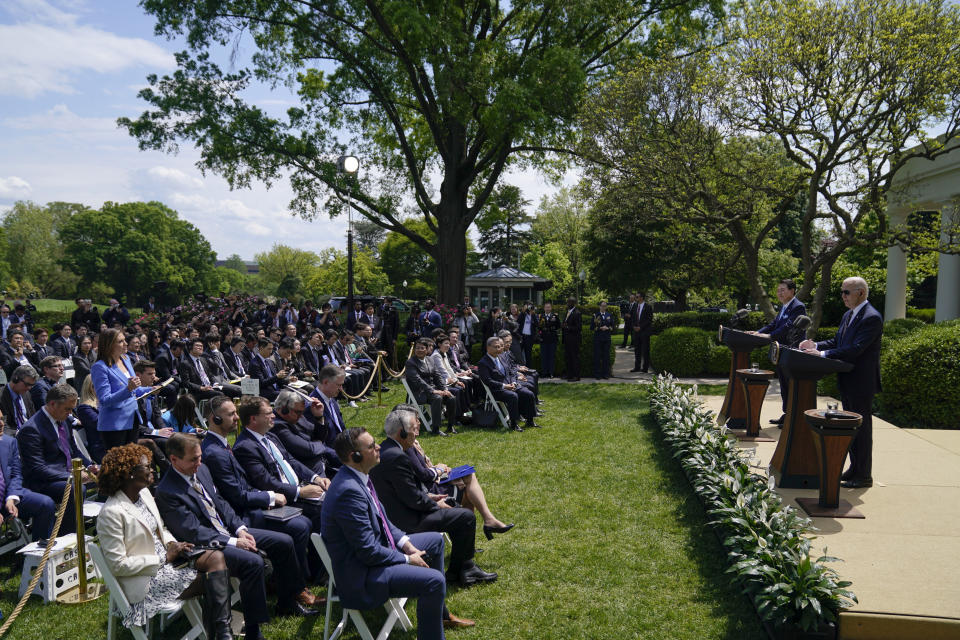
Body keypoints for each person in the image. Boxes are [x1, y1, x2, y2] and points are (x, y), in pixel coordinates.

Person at [155, 433, 317, 640]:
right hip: (207, 548)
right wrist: (234, 542)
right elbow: (193, 531)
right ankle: (253, 629)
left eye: (200, 457)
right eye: (193, 459)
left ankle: (287, 602)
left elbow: (221, 503)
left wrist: (240, 529)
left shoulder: (202, 470)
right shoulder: (167, 491)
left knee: (284, 542)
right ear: (174, 460)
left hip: (229, 532)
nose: (199, 463)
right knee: (253, 562)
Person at [321, 427, 474, 640]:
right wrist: (406, 558)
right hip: (364, 574)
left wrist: (405, 543)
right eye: (371, 446)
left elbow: (383, 519)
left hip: (377, 555)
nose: (378, 447)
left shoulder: (360, 475)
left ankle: (439, 615)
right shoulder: (348, 492)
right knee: (434, 581)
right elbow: (368, 552)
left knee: (435, 541)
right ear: (354, 456)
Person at [96, 443, 234, 639]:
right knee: (213, 580)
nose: (152, 470)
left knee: (216, 559)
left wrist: (171, 544)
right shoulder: (111, 513)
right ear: (129, 474)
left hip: (169, 562)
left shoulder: (143, 494)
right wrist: (164, 559)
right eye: (146, 467)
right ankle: (221, 634)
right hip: (146, 581)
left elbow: (161, 528)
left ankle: (222, 633)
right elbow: (118, 565)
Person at [201, 397, 321, 607]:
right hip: (244, 515)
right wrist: (270, 497)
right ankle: (296, 587)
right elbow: (236, 495)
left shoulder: (221, 445)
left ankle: (299, 579)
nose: (237, 417)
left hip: (254, 503)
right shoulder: (214, 452)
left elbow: (245, 484)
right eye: (231, 414)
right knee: (300, 526)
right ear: (215, 418)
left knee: (308, 518)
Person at [371, 409, 497, 588]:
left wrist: (429, 496)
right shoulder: (397, 456)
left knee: (458, 514)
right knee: (465, 517)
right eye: (414, 429)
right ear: (402, 433)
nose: (416, 434)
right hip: (408, 522)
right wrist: (435, 505)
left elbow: (405, 492)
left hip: (401, 513)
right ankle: (465, 570)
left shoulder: (388, 450)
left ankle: (460, 570)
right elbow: (412, 498)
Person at [799, 276, 882, 488]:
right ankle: (854, 469)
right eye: (842, 292)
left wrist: (822, 354)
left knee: (861, 430)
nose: (843, 296)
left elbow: (855, 349)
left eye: (847, 292)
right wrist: (814, 345)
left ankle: (864, 476)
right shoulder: (849, 315)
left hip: (861, 382)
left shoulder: (871, 317)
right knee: (851, 428)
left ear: (861, 293)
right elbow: (838, 342)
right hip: (847, 379)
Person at [233, 396, 329, 531]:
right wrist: (299, 492)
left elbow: (291, 461)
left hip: (298, 489)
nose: (273, 416)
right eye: (268, 413)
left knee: (336, 498)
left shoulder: (270, 436)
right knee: (325, 508)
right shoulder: (245, 447)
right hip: (283, 498)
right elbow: (265, 481)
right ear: (253, 419)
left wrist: (316, 478)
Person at [16, 383, 96, 535]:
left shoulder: (63, 420)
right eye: (67, 409)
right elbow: (37, 469)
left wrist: (90, 466)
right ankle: (67, 535)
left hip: (64, 474)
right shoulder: (31, 429)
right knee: (75, 488)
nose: (71, 413)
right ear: (52, 404)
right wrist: (74, 476)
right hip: (42, 482)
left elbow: (74, 450)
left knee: (104, 473)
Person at [91, 329, 154, 451]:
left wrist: (150, 389)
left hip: (132, 419)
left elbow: (135, 390)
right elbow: (104, 399)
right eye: (120, 341)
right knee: (119, 466)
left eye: (124, 340)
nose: (126, 344)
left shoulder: (125, 359)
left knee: (132, 462)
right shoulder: (100, 367)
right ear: (109, 345)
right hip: (114, 425)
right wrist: (128, 389)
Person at [754, 279, 806, 425]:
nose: (779, 293)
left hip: (792, 352)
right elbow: (774, 325)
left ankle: (793, 416)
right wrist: (757, 333)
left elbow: (788, 327)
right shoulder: (784, 307)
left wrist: (770, 336)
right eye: (778, 290)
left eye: (783, 290)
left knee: (790, 384)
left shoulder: (798, 307)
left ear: (792, 291)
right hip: (781, 351)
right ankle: (787, 414)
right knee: (783, 384)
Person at [0, 414, 56, 541]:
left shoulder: (9, 442)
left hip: (8, 495)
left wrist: (12, 497)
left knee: (45, 504)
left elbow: (16, 474)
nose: (1, 424)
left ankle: (40, 553)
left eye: (2, 419)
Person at [476, 337, 537, 431]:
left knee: (528, 394)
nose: (499, 349)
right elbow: (487, 381)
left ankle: (530, 420)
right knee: (513, 396)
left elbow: (511, 372)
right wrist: (504, 386)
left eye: (500, 346)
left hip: (511, 384)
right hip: (497, 389)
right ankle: (514, 423)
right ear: (488, 348)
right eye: (496, 347)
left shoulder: (502, 357)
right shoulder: (483, 363)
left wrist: (514, 382)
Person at [405, 338, 458, 436]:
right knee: (437, 398)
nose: (419, 350)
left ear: (427, 349)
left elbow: (438, 376)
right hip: (419, 392)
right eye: (417, 348)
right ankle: (436, 429)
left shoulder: (430, 360)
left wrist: (445, 389)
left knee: (451, 397)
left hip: (433, 390)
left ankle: (450, 426)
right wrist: (434, 391)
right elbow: (418, 381)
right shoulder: (410, 363)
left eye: (422, 348)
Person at [271, 389, 329, 477]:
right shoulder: (277, 425)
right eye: (298, 412)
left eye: (302, 411)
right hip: (307, 470)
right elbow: (308, 450)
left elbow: (319, 436)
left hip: (320, 458)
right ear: (284, 410)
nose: (301, 415)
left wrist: (319, 417)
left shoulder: (296, 416)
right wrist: (320, 444)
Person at [76, 376, 107, 463]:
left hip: (115, 441)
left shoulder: (105, 403)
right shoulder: (85, 408)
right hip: (101, 448)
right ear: (91, 387)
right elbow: (101, 424)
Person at [2, 365, 38, 436]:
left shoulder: (26, 394)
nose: (29, 388)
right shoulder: (1, 396)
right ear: (16, 379)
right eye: (27, 384)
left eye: (32, 385)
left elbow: (33, 416)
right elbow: (3, 426)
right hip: (13, 437)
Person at [630, 292, 654, 374]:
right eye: (636, 297)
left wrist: (641, 327)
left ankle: (645, 368)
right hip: (636, 332)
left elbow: (649, 319)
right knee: (637, 350)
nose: (636, 298)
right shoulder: (635, 306)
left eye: (637, 297)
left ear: (642, 298)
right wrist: (634, 326)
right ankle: (637, 367)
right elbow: (632, 317)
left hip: (644, 332)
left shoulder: (648, 307)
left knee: (645, 350)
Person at [591, 301, 615, 379]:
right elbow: (592, 327)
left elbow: (613, 326)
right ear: (599, 307)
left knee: (606, 357)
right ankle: (597, 374)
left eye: (605, 306)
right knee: (597, 357)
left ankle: (606, 374)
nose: (603, 307)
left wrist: (608, 328)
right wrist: (600, 328)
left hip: (606, 339)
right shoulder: (595, 315)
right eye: (602, 306)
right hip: (598, 339)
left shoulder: (609, 315)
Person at [537, 302, 561, 378]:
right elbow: (538, 327)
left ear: (551, 308)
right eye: (546, 307)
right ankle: (544, 372)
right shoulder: (540, 316)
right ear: (544, 308)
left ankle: (551, 372)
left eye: (549, 307)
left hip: (552, 338)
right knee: (544, 356)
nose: (547, 309)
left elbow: (558, 326)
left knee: (551, 356)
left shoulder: (555, 316)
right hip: (543, 339)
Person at [561, 297, 582, 381]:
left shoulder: (577, 313)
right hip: (567, 340)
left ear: (573, 303)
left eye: (569, 302)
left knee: (574, 358)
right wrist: (563, 325)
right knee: (568, 357)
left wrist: (567, 327)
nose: (567, 304)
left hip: (574, 340)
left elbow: (578, 327)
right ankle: (569, 374)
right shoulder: (568, 312)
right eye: (567, 302)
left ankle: (576, 376)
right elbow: (566, 323)